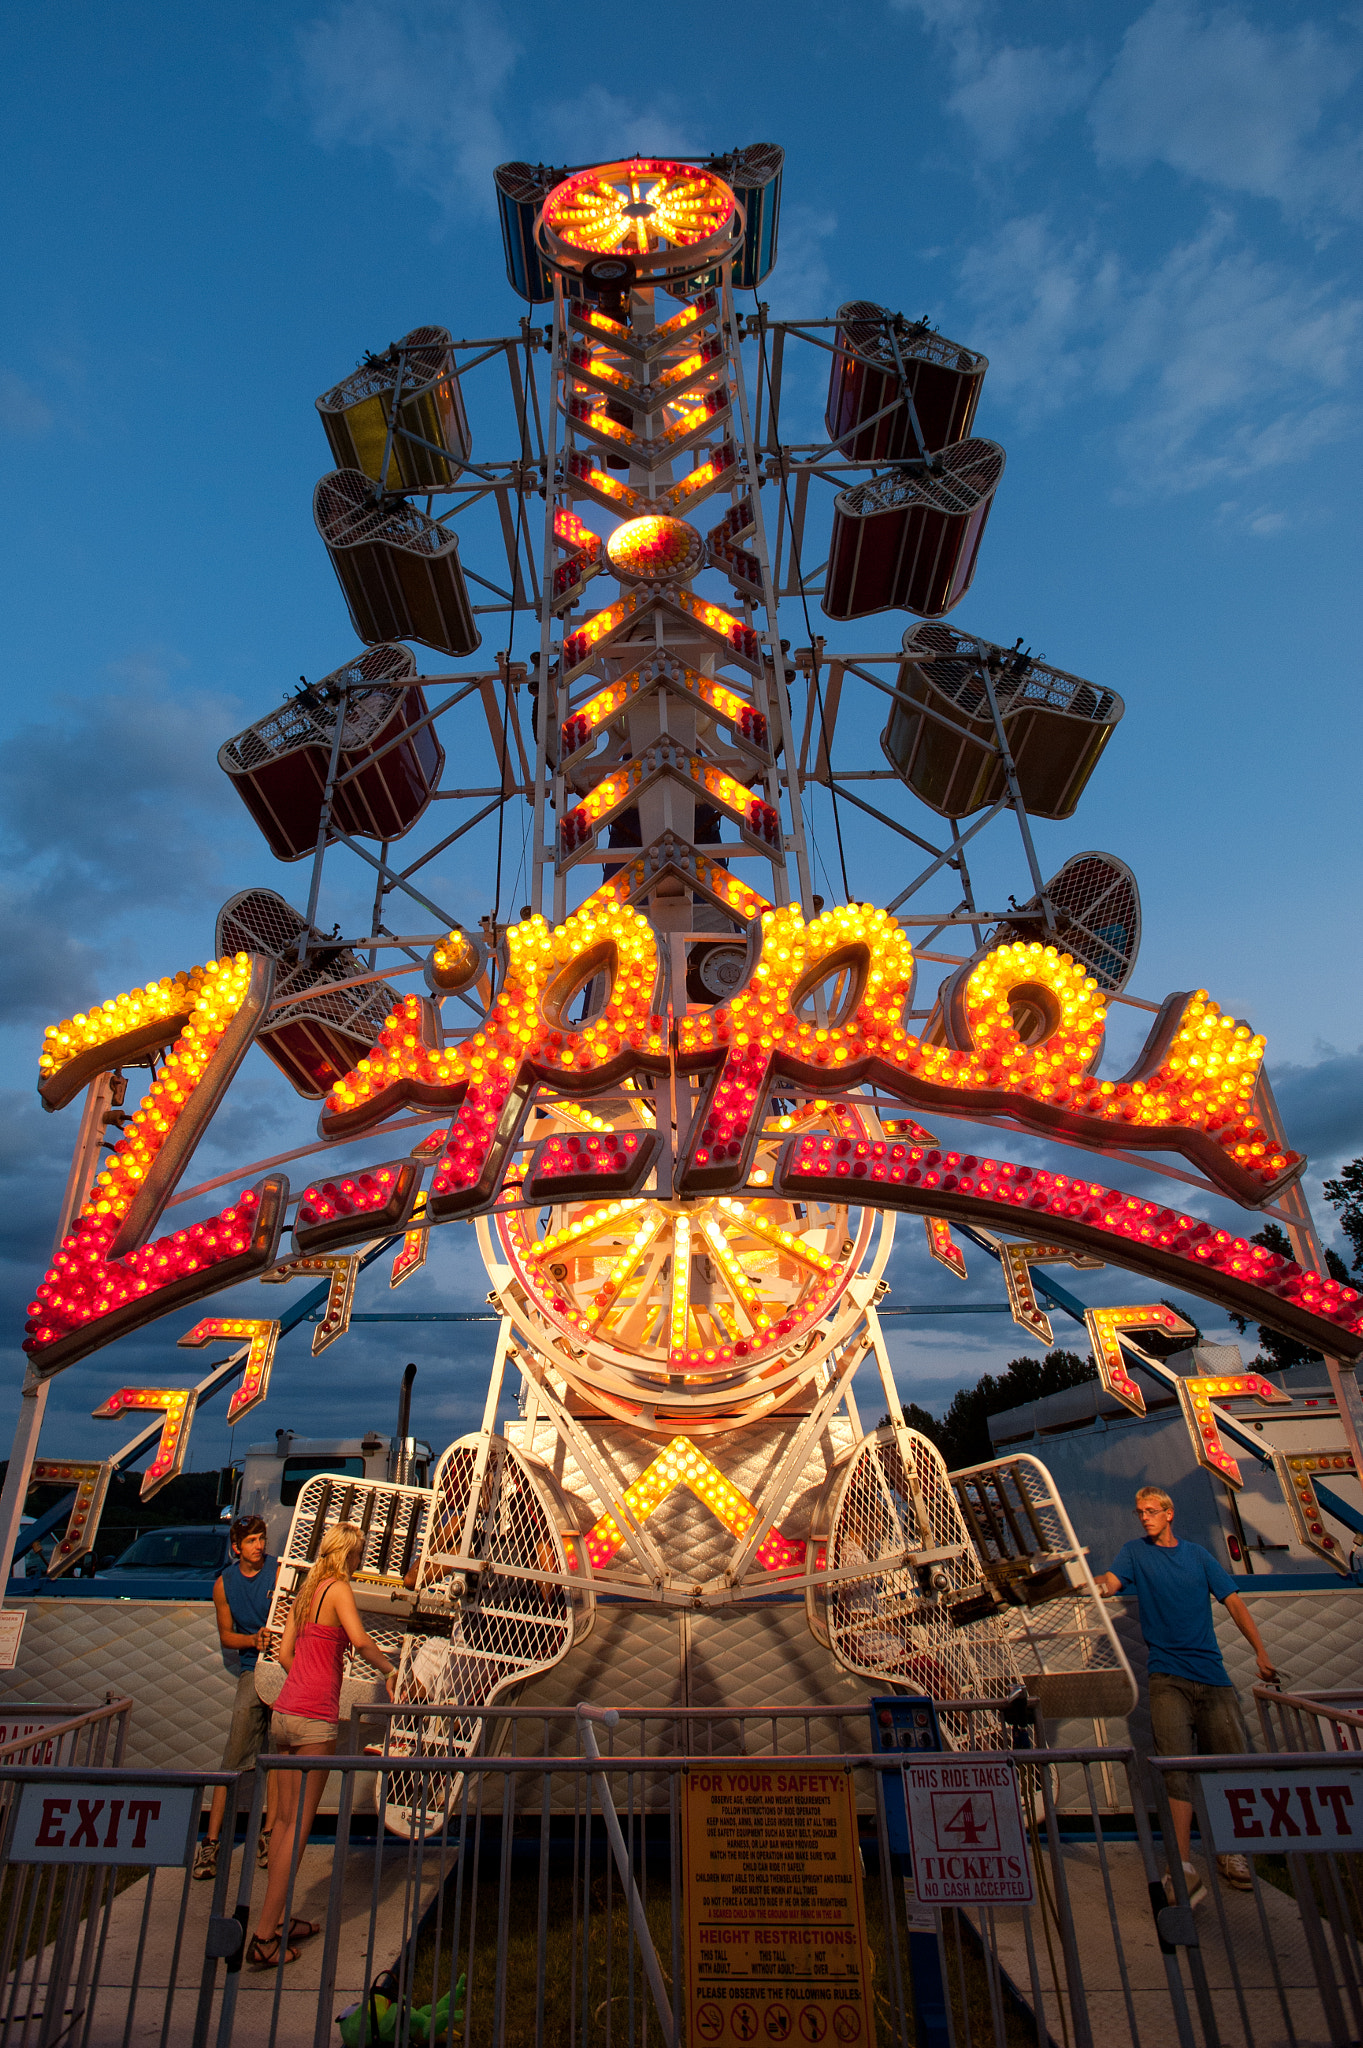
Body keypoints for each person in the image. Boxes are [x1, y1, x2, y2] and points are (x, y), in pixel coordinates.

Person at [1095, 1486, 1277, 1906]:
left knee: (1228, 1765)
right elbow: (1111, 1581)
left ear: (1170, 1513)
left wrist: (1260, 1650)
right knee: (1175, 1769)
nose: (1144, 1517)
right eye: (1139, 1511)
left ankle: (1233, 1854)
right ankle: (1181, 1862)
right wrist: (1091, 1584)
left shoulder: (1198, 1557)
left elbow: (1233, 1601)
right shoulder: (1134, 1553)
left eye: (1151, 1511)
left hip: (1212, 1677)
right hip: (1168, 1679)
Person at [248, 1522, 397, 1972]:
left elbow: (284, 1655)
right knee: (298, 1828)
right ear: (350, 1555)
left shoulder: (306, 1590)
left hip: (285, 1712)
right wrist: (390, 1672)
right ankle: (263, 1936)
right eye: (359, 1555)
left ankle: (280, 1918)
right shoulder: (338, 1590)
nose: (359, 1562)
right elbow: (361, 1639)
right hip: (314, 1719)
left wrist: (312, 1672)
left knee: (282, 1824)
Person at [193, 1515, 280, 1881]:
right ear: (236, 1548)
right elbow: (227, 1636)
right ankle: (211, 1844)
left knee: (278, 1758)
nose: (259, 1546)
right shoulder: (224, 1584)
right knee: (232, 1759)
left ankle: (269, 1837)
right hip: (251, 1668)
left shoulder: (279, 1570)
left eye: (261, 1539)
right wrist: (253, 1641)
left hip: (284, 1666)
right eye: (251, 1541)